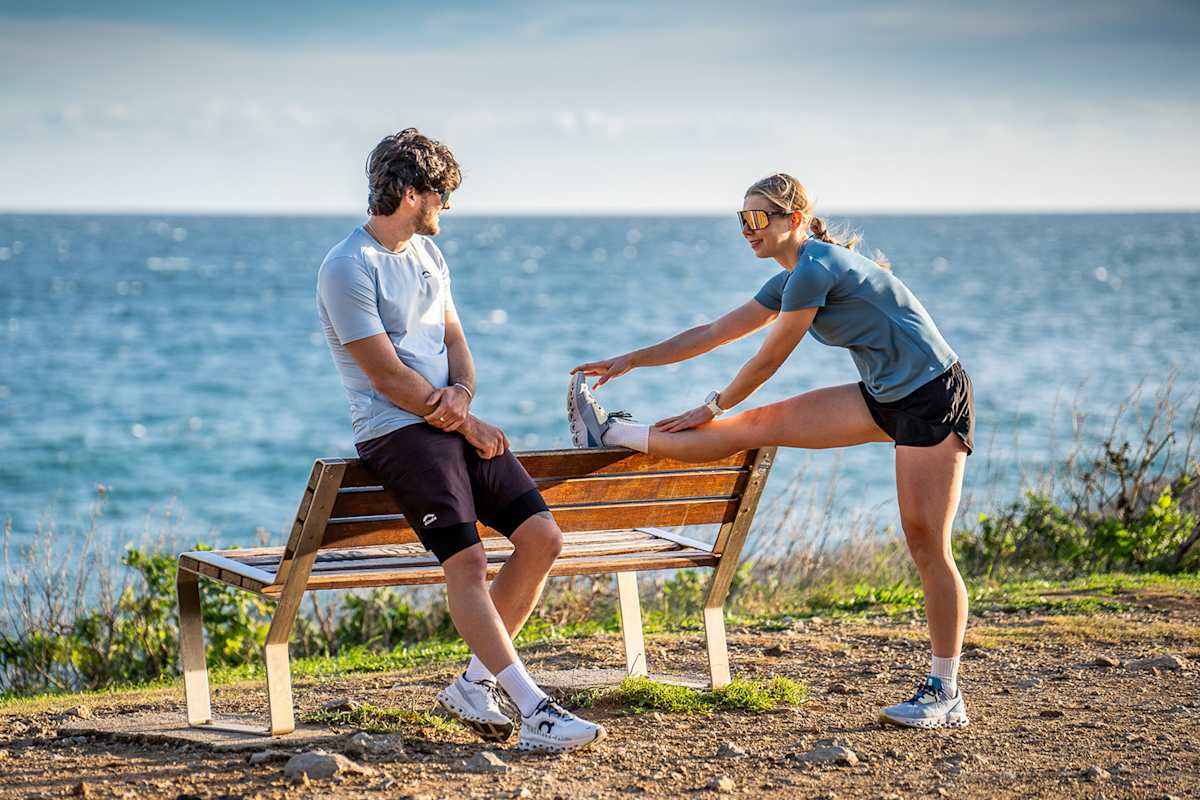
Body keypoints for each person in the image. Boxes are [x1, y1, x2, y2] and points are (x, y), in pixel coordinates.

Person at [569, 172, 975, 730]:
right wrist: (629, 360)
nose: (747, 229)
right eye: (741, 219)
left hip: (932, 394)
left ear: (795, 220)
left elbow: (767, 359)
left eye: (758, 217)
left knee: (926, 539)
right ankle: (615, 435)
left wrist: (711, 404)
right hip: (882, 395)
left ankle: (945, 690)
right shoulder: (790, 278)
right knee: (756, 425)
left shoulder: (816, 267)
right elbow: (713, 331)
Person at [317, 128, 605, 752]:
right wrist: (463, 420)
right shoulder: (347, 266)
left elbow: (454, 344)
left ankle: (475, 685)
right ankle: (534, 710)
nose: (448, 204)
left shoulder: (429, 258)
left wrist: (465, 396)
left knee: (542, 538)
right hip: (399, 434)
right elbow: (386, 376)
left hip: (449, 420)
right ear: (413, 193)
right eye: (442, 193)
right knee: (469, 562)